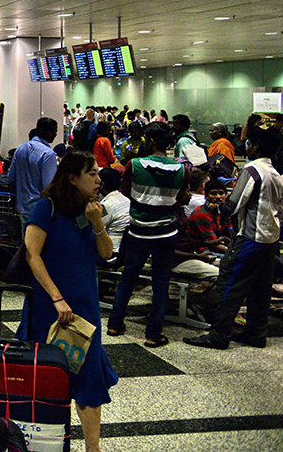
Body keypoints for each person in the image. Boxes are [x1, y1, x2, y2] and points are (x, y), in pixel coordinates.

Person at [19, 150, 117, 452]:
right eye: (92, 174)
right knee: (48, 375)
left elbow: (106, 253)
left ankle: (93, 448)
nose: (99, 180)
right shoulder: (46, 208)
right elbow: (32, 255)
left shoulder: (90, 211)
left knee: (89, 377)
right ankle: (43, 441)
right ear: (72, 178)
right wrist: (57, 297)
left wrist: (97, 222)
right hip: (50, 306)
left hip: (85, 306)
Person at [185, 128, 282, 350]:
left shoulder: (252, 170)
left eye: (248, 143)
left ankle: (219, 334)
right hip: (270, 238)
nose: (245, 146)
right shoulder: (274, 172)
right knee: (260, 287)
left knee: (228, 282)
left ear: (256, 146)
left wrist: (213, 206)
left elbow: (231, 206)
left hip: (251, 237)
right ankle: (256, 333)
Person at [107, 122, 188, 348]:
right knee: (161, 282)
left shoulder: (134, 165)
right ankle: (153, 334)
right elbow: (182, 197)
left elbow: (125, 191)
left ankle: (115, 323)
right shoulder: (181, 169)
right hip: (166, 232)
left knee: (128, 277)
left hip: (139, 231)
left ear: (150, 141)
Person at [8, 117, 60, 230]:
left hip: (22, 207)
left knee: (26, 243)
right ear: (49, 132)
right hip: (40, 210)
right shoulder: (48, 154)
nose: (56, 135)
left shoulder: (21, 148)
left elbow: (11, 177)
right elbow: (48, 186)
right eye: (55, 131)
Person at [98, 168, 131, 256]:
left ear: (102, 185)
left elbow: (95, 227)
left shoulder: (107, 205)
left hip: (112, 252)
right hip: (125, 250)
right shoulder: (126, 200)